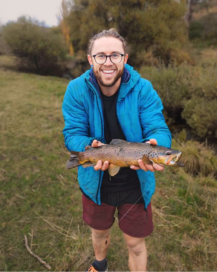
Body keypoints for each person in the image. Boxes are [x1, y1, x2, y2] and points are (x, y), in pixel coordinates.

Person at [62, 29, 171, 272]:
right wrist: (88, 148)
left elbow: (158, 126)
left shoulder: (143, 89)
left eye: (115, 55)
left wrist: (156, 143)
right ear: (90, 60)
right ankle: (99, 265)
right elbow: (72, 133)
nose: (108, 62)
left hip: (136, 181)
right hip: (96, 180)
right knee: (99, 233)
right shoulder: (76, 89)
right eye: (101, 56)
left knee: (135, 242)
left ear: (125, 58)